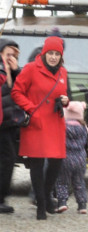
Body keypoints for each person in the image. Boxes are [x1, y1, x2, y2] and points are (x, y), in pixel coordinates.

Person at [11, 36, 70, 220]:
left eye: (57, 54)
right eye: (50, 53)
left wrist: (65, 101)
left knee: (57, 161)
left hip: (55, 123)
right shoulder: (30, 69)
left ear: (61, 56)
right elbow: (16, 92)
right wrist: (31, 109)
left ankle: (44, 197)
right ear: (44, 54)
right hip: (36, 123)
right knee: (36, 164)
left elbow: (63, 95)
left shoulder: (63, 73)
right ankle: (42, 205)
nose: (53, 57)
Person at [55, 101, 88, 214]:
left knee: (62, 181)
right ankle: (82, 205)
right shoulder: (84, 127)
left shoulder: (63, 126)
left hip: (66, 158)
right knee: (79, 182)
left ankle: (62, 202)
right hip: (80, 158)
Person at [0, 39, 20, 214]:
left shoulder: (12, 71)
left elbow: (21, 88)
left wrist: (15, 71)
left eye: (14, 55)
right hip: (2, 123)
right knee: (7, 160)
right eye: (8, 54)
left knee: (8, 160)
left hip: (9, 122)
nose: (11, 57)